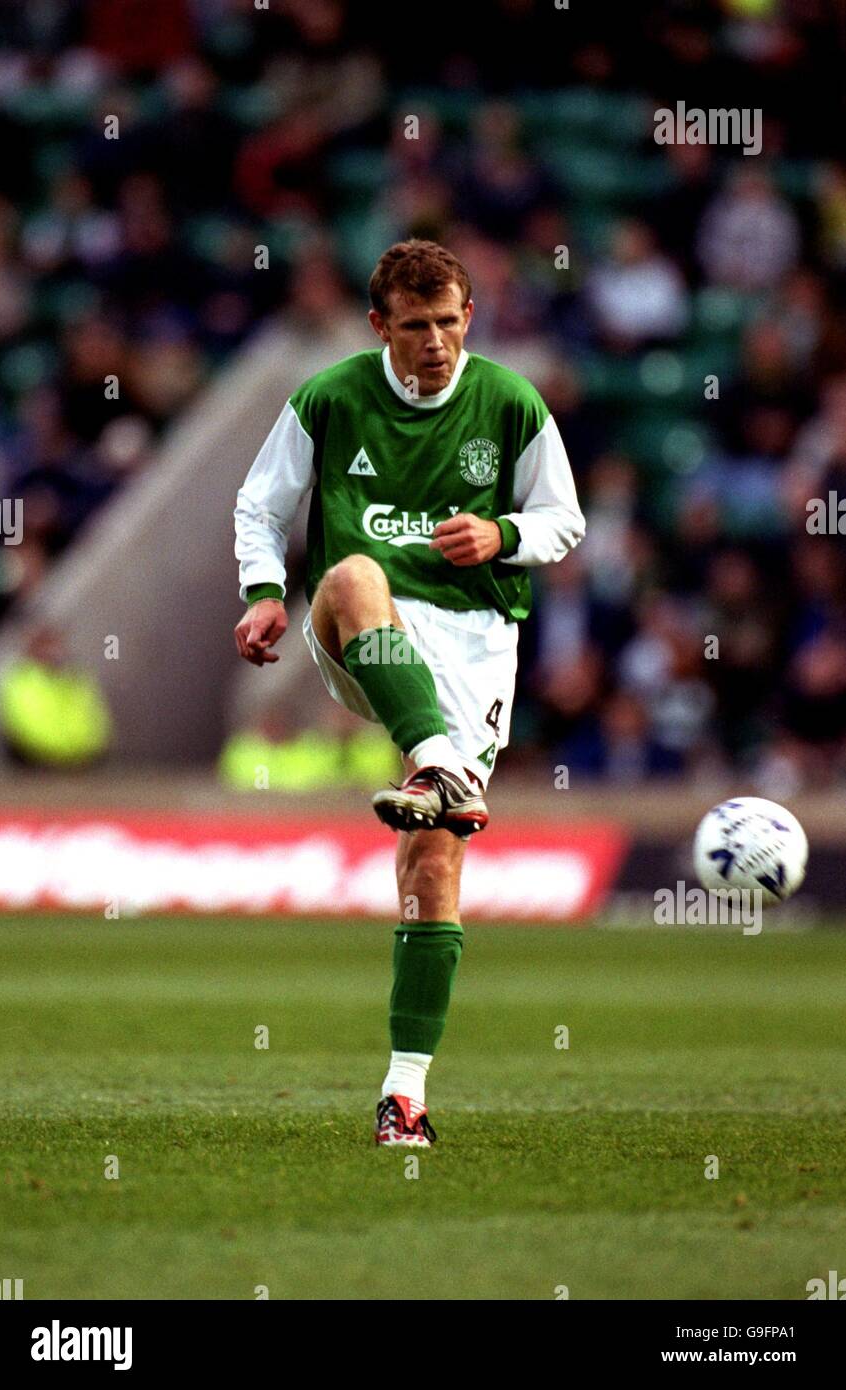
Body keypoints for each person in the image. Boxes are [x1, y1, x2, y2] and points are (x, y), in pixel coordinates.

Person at [233, 239, 585, 1146]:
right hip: (368, 623)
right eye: (415, 324)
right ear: (378, 324)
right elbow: (261, 505)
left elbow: (562, 518)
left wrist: (502, 533)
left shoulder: (508, 401)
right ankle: (437, 763)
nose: (435, 341)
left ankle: (405, 1093)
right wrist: (266, 593)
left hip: (472, 642)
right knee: (348, 571)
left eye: (448, 321)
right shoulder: (329, 397)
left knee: (431, 864)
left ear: (468, 315)